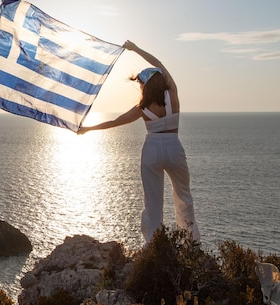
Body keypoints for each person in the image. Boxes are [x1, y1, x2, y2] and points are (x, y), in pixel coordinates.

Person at [78, 40, 200, 244]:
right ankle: (191, 243)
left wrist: (88, 129)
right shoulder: (172, 94)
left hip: (152, 149)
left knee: (153, 203)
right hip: (173, 146)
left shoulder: (141, 108)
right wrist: (135, 49)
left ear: (145, 86)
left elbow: (115, 122)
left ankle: (154, 246)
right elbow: (158, 62)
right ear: (161, 81)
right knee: (183, 197)